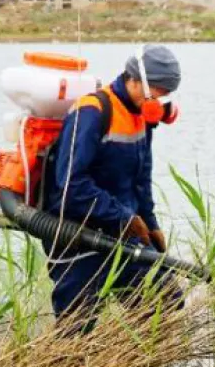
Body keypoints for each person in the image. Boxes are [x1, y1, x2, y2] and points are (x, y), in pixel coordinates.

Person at [41, 45, 180, 331]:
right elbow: (70, 186)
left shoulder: (141, 116)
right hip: (78, 237)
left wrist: (150, 225)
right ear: (135, 79)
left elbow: (140, 179)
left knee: (166, 300)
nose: (160, 100)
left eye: (166, 94)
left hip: (123, 233)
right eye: (157, 91)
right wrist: (124, 217)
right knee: (77, 329)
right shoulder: (92, 111)